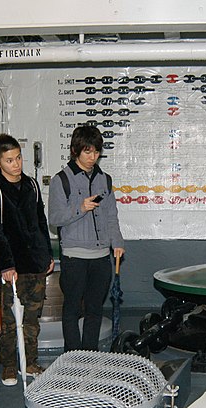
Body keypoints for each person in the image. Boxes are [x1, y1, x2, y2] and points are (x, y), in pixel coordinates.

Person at [0, 134, 54, 385]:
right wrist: (6, 265)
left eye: (19, 158)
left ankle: (30, 362)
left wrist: (48, 255)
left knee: (32, 319)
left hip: (35, 263)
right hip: (9, 268)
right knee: (10, 321)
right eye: (10, 160)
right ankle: (10, 365)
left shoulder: (32, 185)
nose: (16, 164)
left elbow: (40, 222)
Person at [48, 125, 124, 352]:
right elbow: (55, 218)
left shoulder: (105, 179)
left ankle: (89, 355)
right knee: (71, 310)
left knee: (95, 310)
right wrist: (80, 207)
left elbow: (111, 215)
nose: (93, 157)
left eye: (97, 152)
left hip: (101, 257)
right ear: (75, 151)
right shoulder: (61, 180)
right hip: (74, 257)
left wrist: (117, 242)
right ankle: (72, 356)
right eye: (87, 152)